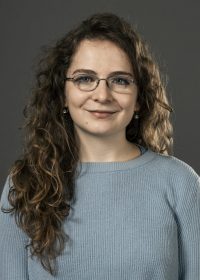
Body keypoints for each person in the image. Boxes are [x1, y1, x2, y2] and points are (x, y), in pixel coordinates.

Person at [0, 12, 199, 280]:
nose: (102, 95)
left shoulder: (181, 183)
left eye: (120, 80)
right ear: (63, 93)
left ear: (139, 97)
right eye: (85, 78)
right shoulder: (25, 184)